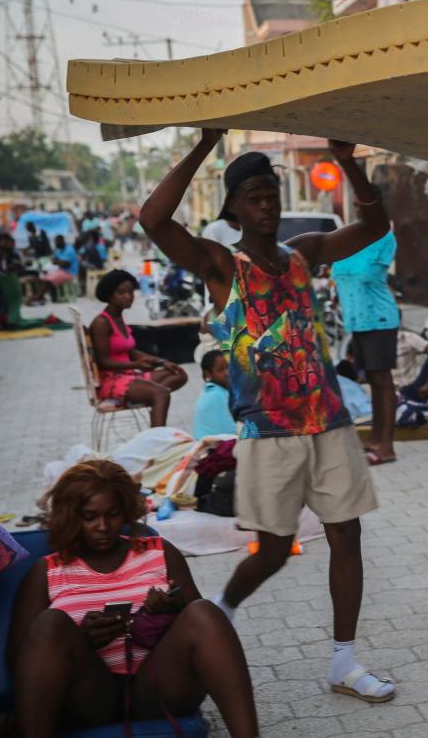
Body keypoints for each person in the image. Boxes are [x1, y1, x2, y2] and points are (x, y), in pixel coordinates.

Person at [139, 129, 395, 703]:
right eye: (254, 193)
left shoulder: (304, 254)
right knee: (274, 549)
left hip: (327, 423)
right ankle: (221, 615)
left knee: (347, 536)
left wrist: (348, 163)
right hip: (267, 432)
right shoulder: (220, 266)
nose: (268, 202)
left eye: (272, 191)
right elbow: (153, 220)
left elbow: (376, 227)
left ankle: (344, 661)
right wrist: (207, 144)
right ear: (231, 207)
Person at [8, 458, 258, 737]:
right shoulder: (48, 571)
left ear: (126, 511)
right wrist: (82, 639)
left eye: (112, 514)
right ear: (72, 516)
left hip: (157, 686)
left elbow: (200, 634)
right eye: (90, 517)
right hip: (88, 696)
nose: (103, 526)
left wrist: (171, 611)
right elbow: (20, 655)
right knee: (50, 624)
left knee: (203, 612)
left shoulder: (159, 552)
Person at [331, 229, 401, 463]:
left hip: (379, 318)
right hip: (356, 322)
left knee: (382, 379)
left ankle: (387, 445)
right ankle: (375, 437)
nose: (360, 209)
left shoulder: (383, 239)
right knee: (372, 379)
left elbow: (368, 274)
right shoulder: (351, 237)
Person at [89, 269, 188, 427]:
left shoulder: (119, 317)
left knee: (179, 374)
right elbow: (102, 361)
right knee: (161, 394)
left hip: (130, 374)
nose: (128, 296)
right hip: (112, 380)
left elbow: (129, 351)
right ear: (109, 295)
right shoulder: (101, 323)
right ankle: (157, 443)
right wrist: (135, 365)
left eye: (131, 292)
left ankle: (151, 397)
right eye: (121, 292)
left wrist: (162, 362)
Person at [192, 350, 238, 439]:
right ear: (208, 374)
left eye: (228, 367)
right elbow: (231, 432)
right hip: (211, 449)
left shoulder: (215, 391)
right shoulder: (216, 395)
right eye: (221, 370)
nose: (227, 373)